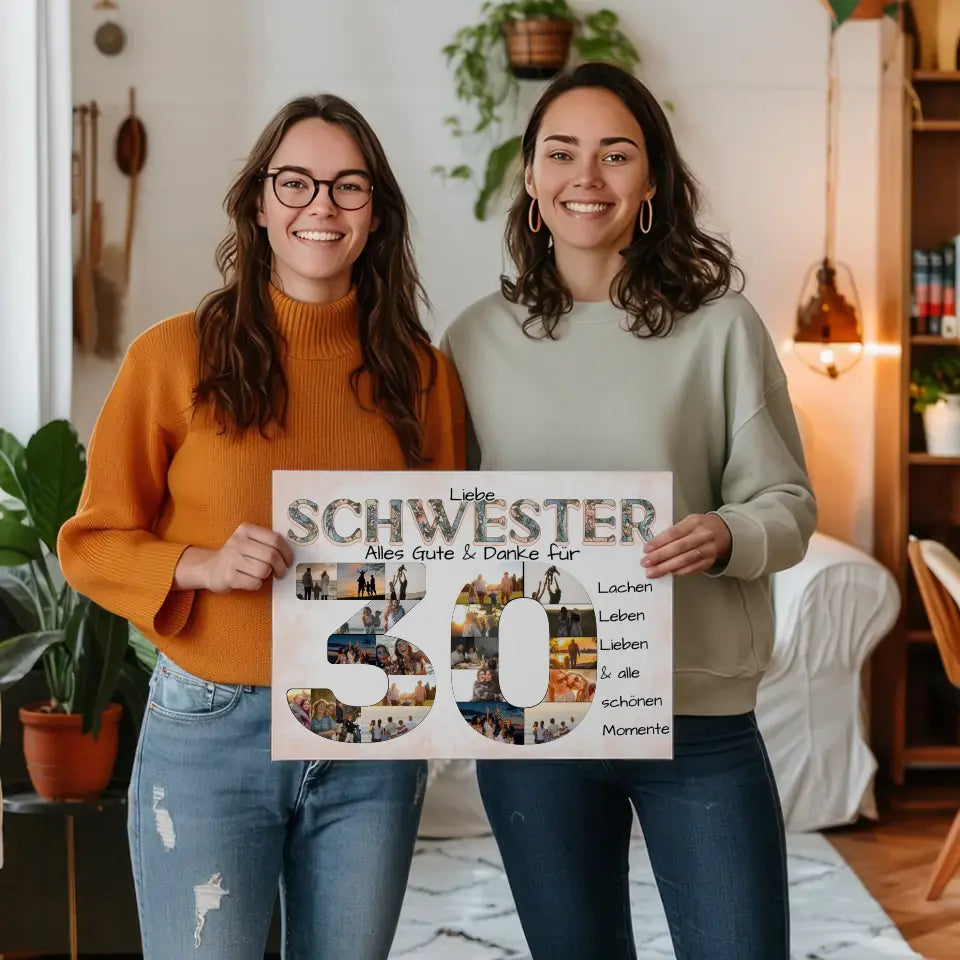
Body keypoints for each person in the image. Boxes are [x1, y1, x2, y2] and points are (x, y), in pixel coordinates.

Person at [58, 93, 465, 960]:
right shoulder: (172, 357)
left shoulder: (425, 378)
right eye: (296, 182)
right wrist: (198, 564)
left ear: (377, 215)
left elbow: (455, 559)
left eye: (349, 186)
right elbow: (90, 541)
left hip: (375, 727)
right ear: (258, 205)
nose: (321, 205)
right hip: (213, 726)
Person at [441, 62, 815, 960]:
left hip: (697, 721)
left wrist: (728, 533)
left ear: (651, 183)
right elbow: (439, 522)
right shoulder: (470, 342)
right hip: (533, 717)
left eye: (616, 155)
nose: (587, 177)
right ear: (530, 179)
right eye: (562, 154)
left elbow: (790, 505)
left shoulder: (721, 328)